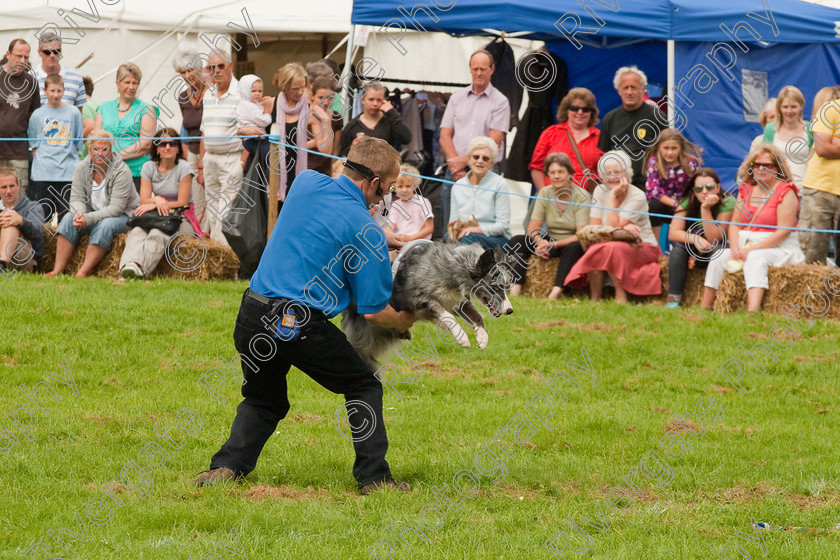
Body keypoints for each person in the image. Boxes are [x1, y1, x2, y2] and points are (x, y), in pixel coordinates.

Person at [195, 136, 416, 495]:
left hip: (251, 311)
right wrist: (404, 322)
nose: (384, 197)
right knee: (363, 385)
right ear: (374, 182)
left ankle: (225, 468)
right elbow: (375, 312)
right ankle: (375, 479)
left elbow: (329, 219)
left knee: (263, 399)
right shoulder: (364, 229)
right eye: (386, 188)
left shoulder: (306, 183)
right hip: (296, 324)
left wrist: (375, 233)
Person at [702, 145, 805, 312]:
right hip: (746, 243)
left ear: (777, 168)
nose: (761, 169)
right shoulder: (745, 190)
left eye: (767, 165)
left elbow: (784, 231)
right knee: (719, 256)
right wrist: (735, 247)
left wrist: (754, 249)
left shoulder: (786, 191)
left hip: (778, 246)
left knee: (756, 258)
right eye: (756, 165)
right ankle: (704, 307)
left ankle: (753, 311)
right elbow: (735, 223)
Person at [564, 150, 661, 302]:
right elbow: (596, 228)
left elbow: (609, 227)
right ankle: (595, 298)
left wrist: (613, 198)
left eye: (617, 172)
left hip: (643, 245)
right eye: (608, 172)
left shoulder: (637, 196)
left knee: (613, 248)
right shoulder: (599, 191)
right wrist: (618, 229)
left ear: (627, 173)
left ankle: (620, 296)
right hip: (610, 243)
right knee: (597, 247)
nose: (613, 176)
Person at [46, 130, 140, 278]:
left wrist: (88, 219)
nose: (100, 153)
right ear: (89, 150)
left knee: (106, 225)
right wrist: (79, 214)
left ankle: (82, 272)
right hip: (91, 214)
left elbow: (116, 208)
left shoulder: (122, 171)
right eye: (96, 149)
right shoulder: (81, 167)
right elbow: (76, 198)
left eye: (105, 149)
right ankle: (57, 270)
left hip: (123, 216)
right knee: (68, 219)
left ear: (110, 150)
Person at [439, 50, 511, 227]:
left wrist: (464, 163)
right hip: (453, 170)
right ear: (470, 69)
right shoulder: (456, 98)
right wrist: (455, 166)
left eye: (483, 69)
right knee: (451, 226)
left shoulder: (501, 102)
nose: (479, 73)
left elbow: (494, 141)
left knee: (481, 226)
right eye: (475, 68)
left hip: (485, 170)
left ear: (492, 69)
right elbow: (444, 136)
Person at [508, 153, 589, 299]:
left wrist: (553, 245)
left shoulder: (582, 196)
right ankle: (515, 290)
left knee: (575, 246)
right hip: (549, 241)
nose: (556, 176)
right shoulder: (545, 192)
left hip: (569, 243)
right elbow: (533, 227)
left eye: (560, 172)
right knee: (517, 241)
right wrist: (540, 242)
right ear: (548, 175)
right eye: (552, 172)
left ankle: (555, 293)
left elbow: (581, 234)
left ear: (570, 174)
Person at [119, 129, 194, 279]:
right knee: (137, 231)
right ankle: (127, 267)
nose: (167, 147)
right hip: (156, 214)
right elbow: (144, 199)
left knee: (158, 233)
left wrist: (157, 202)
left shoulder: (184, 168)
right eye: (162, 144)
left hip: (180, 215)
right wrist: (156, 200)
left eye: (172, 144)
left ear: (178, 148)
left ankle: (141, 271)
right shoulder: (148, 167)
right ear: (157, 149)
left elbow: (182, 202)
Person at [665, 168, 734, 308]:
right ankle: (673, 300)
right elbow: (673, 233)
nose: (704, 191)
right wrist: (696, 240)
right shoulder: (686, 201)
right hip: (694, 245)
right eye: (698, 188)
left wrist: (705, 209)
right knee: (677, 252)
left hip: (717, 246)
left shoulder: (728, 202)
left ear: (718, 187)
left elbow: (715, 237)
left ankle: (710, 303)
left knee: (718, 252)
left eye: (709, 187)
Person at [597, 66, 667, 189]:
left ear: (643, 89)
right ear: (619, 90)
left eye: (633, 87)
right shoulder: (610, 118)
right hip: (618, 185)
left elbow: (668, 152)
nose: (629, 92)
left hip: (650, 187)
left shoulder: (658, 117)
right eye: (625, 87)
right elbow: (605, 154)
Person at [27, 73, 84, 222]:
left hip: (67, 174)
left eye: (59, 91)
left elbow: (78, 143)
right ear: (45, 90)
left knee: (65, 218)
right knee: (40, 218)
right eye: (52, 91)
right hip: (42, 174)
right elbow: (33, 145)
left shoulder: (74, 113)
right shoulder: (37, 115)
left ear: (64, 90)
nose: (56, 95)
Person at [199, 49, 242, 244]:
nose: (216, 71)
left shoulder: (242, 92)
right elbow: (203, 130)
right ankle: (217, 253)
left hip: (232, 158)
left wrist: (242, 162)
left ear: (230, 66)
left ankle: (225, 257)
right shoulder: (207, 94)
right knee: (212, 207)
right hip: (210, 158)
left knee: (225, 209)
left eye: (221, 66)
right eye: (211, 67)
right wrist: (201, 163)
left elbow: (254, 130)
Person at [95, 62, 157, 190]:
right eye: (127, 82)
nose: (131, 87)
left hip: (137, 173)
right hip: (108, 172)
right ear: (117, 84)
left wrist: (114, 157)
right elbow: (96, 140)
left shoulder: (147, 109)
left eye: (135, 83)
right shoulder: (103, 108)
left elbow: (146, 144)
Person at [529, 87, 603, 192]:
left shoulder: (600, 138)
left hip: (587, 202)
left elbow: (608, 173)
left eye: (585, 109)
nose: (580, 112)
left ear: (592, 112)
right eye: (575, 108)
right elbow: (536, 167)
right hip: (553, 199)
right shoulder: (550, 133)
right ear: (566, 110)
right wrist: (545, 196)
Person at [449, 136, 511, 249]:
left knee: (467, 240)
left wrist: (475, 230)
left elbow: (503, 226)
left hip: (496, 239)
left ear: (491, 163)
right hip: (465, 235)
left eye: (485, 158)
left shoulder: (499, 183)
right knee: (446, 241)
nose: (479, 161)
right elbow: (453, 220)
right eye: (476, 157)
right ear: (469, 159)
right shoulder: (457, 186)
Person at [800, 90, 840, 264]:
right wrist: (830, 142)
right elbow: (822, 148)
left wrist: (835, 141)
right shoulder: (831, 109)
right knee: (812, 253)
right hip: (820, 189)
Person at [643, 128, 702, 241]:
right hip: (665, 204)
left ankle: (687, 241)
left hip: (686, 204)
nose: (670, 152)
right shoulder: (654, 163)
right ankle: (658, 245)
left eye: (674, 148)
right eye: (666, 148)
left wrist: (684, 205)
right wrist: (676, 204)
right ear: (659, 147)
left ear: (680, 148)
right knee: (654, 206)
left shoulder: (690, 163)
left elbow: (695, 187)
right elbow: (656, 191)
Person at [173, 50, 207, 233]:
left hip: (211, 151)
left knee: (214, 198)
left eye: (190, 70)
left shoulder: (210, 93)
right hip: (192, 153)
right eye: (183, 73)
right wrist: (187, 160)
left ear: (200, 69)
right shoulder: (183, 97)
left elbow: (206, 129)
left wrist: (201, 164)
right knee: (198, 199)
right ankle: (202, 235)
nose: (187, 76)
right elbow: (185, 129)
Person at [0, 38, 40, 194]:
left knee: (18, 196)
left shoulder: (31, 83)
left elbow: (34, 117)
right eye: (18, 56)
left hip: (19, 151)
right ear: (8, 54)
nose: (23, 61)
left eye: (26, 57)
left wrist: (35, 145)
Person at [270, 63, 309, 204]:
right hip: (275, 171)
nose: (300, 92)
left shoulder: (309, 108)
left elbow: (325, 148)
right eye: (295, 89)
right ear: (285, 87)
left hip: (299, 170)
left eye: (303, 87)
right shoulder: (271, 104)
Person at [338, 83, 412, 156]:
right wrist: (352, 148)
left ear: (384, 101)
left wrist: (392, 112)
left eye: (379, 100)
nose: (375, 103)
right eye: (371, 99)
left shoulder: (390, 121)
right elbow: (342, 156)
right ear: (363, 100)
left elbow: (407, 138)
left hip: (385, 166)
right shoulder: (352, 126)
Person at [761, 86, 811, 189]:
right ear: (779, 108)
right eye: (785, 107)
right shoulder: (770, 129)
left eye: (793, 107)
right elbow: (764, 160)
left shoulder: (810, 129)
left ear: (801, 106)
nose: (789, 111)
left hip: (804, 189)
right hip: (776, 190)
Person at [0, 166, 45, 272]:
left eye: (12, 186)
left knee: (10, 222)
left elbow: (38, 233)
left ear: (18, 186)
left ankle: (2, 265)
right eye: (4, 187)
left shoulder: (33, 207)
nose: (8, 191)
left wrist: (21, 221)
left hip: (23, 256)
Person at [33, 30, 87, 112]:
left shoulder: (76, 79)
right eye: (47, 52)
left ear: (61, 52)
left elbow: (79, 115)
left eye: (56, 51)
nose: (52, 55)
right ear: (39, 52)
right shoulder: (30, 78)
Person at [236, 74, 273, 171]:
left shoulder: (248, 104)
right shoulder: (248, 106)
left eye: (260, 91)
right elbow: (264, 121)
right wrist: (268, 112)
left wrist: (261, 103)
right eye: (253, 91)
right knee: (271, 157)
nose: (257, 94)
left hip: (253, 139)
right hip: (253, 140)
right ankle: (268, 183)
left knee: (257, 162)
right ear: (245, 91)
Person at [307, 77, 343, 175]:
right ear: (312, 96)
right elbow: (293, 147)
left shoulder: (336, 118)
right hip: (304, 170)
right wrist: (316, 143)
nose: (326, 102)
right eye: (321, 97)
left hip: (324, 173)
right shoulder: (304, 115)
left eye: (329, 98)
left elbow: (334, 152)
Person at [390, 163, 434, 243]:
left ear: (415, 186)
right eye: (400, 186)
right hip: (400, 241)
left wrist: (411, 238)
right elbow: (390, 226)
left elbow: (429, 228)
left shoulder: (422, 202)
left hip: (419, 243)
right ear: (394, 188)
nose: (404, 190)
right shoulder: (395, 204)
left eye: (408, 186)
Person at [78, 76, 99, 160]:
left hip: (84, 155)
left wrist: (76, 144)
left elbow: (90, 126)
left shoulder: (84, 105)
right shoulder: (95, 105)